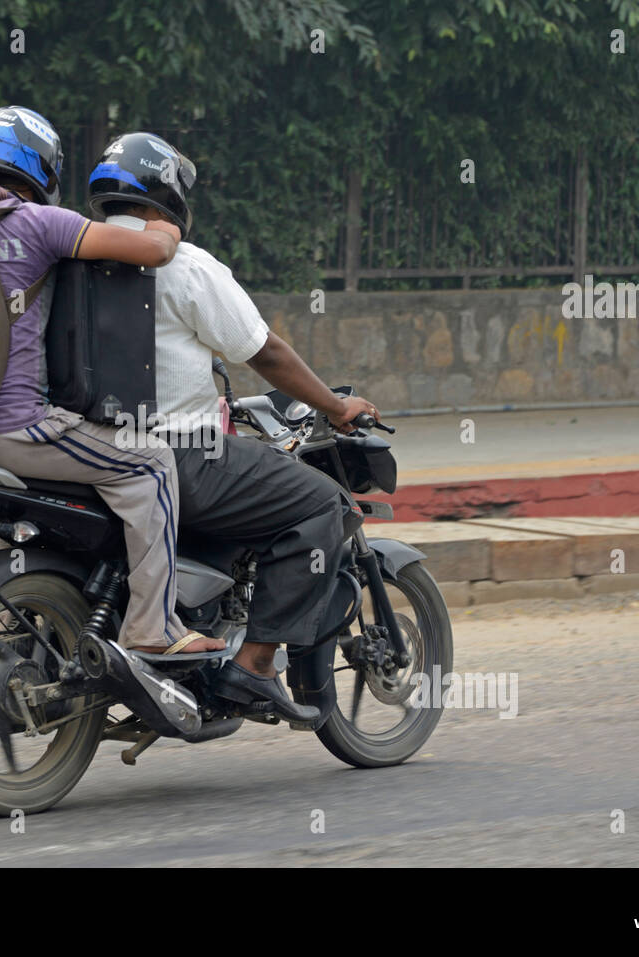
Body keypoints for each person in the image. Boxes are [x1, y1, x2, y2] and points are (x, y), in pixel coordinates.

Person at [87, 132, 380, 724]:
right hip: (183, 456)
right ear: (167, 193)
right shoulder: (188, 268)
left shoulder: (72, 258)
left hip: (88, 453)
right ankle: (254, 664)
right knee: (322, 504)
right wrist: (334, 405)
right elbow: (265, 353)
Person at [0, 107, 223, 656]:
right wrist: (165, 221)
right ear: (39, 168)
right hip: (14, 430)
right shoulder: (41, 224)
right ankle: (152, 630)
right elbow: (154, 251)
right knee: (150, 462)